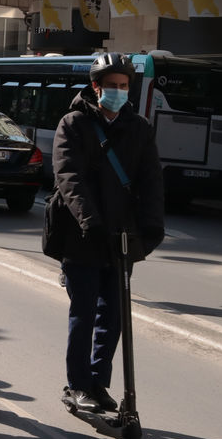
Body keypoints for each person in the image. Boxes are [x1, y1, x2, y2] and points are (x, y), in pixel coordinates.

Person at [48, 52, 165, 413]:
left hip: (121, 238)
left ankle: (98, 382)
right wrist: (90, 221)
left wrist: (152, 227)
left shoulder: (139, 128)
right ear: (96, 87)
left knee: (113, 317)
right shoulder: (73, 123)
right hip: (82, 235)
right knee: (83, 314)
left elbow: (151, 180)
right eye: (111, 85)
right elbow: (69, 177)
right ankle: (78, 384)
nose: (118, 91)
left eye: (123, 86)